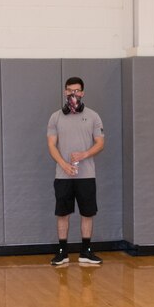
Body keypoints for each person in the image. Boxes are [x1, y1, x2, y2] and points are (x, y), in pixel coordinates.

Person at [48, 76, 105, 266]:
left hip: (86, 175)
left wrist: (84, 154)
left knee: (87, 213)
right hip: (63, 175)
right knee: (62, 213)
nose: (73, 94)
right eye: (70, 90)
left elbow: (100, 143)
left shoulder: (93, 116)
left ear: (82, 93)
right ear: (65, 92)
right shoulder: (55, 117)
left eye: (77, 91)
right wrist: (64, 165)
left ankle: (86, 251)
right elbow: (51, 145)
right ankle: (62, 252)